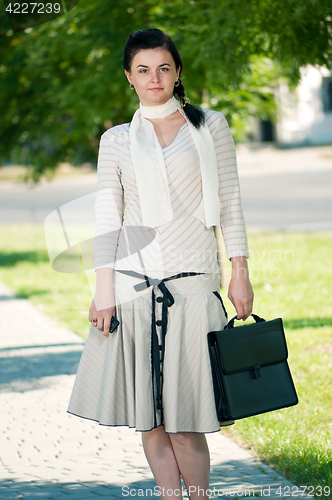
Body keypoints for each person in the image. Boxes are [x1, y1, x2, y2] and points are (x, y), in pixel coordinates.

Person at [68, 28, 253, 500]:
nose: (155, 78)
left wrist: (240, 272)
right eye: (144, 70)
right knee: (150, 421)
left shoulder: (210, 126)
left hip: (193, 287)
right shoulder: (116, 140)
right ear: (129, 78)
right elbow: (108, 217)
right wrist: (102, 290)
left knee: (186, 422)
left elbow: (230, 203)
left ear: (177, 72)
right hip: (133, 290)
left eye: (164, 68)